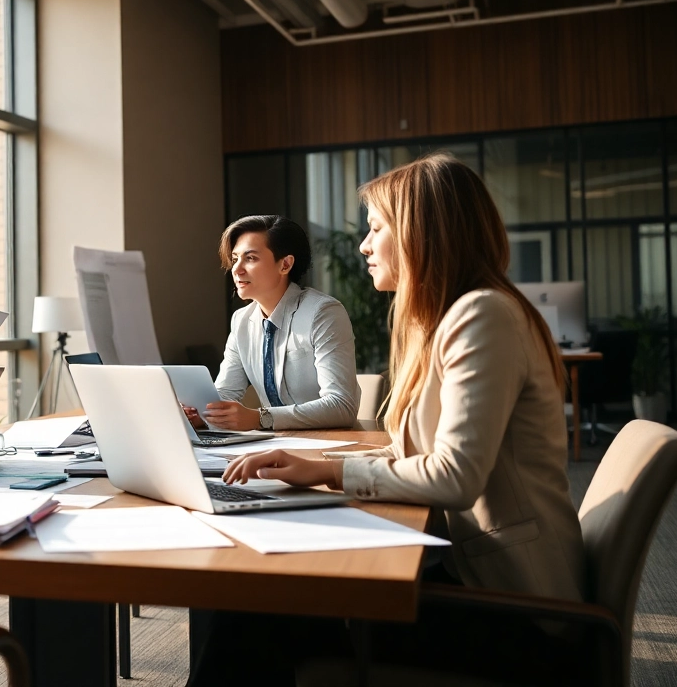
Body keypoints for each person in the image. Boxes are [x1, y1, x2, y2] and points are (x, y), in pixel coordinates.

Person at [191, 154, 585, 685]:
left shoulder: (482, 314)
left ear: (422, 233)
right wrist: (304, 464)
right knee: (252, 605)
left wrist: (329, 473)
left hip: (513, 609)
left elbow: (455, 475)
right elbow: (413, 453)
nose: (364, 245)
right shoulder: (441, 320)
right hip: (465, 571)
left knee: (253, 611)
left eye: (376, 228)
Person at [187, 215, 358, 432]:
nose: (237, 269)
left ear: (285, 264)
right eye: (235, 258)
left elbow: (341, 405)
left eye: (250, 258)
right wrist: (204, 414)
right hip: (272, 445)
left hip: (327, 446)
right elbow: (226, 393)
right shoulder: (241, 321)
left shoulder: (322, 313)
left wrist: (260, 418)